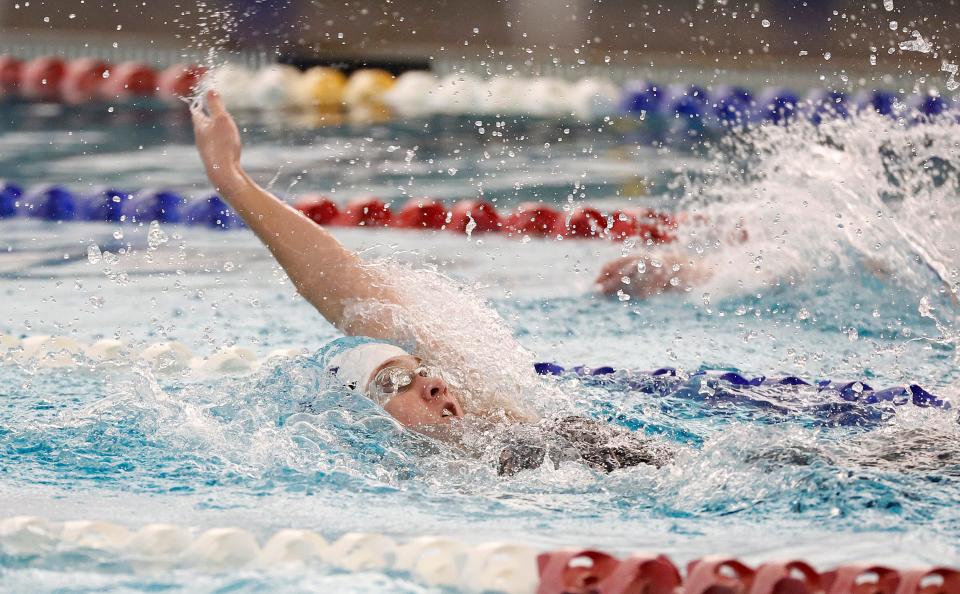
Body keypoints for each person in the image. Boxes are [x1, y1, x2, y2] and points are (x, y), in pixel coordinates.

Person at [191, 89, 671, 475]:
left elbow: (342, 287)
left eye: (421, 370)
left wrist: (234, 181)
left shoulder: (499, 418)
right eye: (398, 381)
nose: (433, 383)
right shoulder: (401, 473)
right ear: (366, 419)